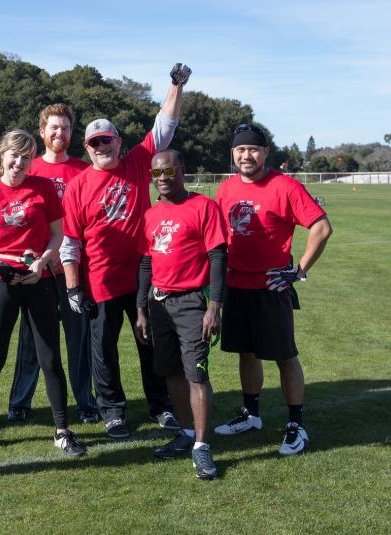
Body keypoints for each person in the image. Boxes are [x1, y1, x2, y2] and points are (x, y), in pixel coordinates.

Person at [60, 63, 192, 438]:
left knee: (149, 340)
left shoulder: (137, 162)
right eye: (95, 142)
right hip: (99, 277)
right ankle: (113, 411)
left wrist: (175, 86)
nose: (102, 146)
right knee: (103, 348)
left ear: (119, 141)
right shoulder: (78, 186)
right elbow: (70, 243)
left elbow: (164, 126)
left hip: (142, 272)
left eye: (108, 139)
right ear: (87, 148)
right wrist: (72, 288)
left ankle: (161, 405)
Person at [0, 129, 87, 458]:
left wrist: (43, 263)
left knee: (50, 357)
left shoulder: (44, 188)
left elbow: (57, 234)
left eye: (26, 157)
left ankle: (62, 431)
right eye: (14, 155)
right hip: (0, 282)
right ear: (1, 156)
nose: (19, 162)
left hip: (39, 282)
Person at [214, 123, 332, 456]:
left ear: (265, 152)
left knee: (284, 356)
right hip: (236, 285)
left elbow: (322, 228)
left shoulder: (285, 186)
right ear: (233, 154)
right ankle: (251, 414)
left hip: (271, 285)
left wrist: (299, 272)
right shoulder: (225, 189)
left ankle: (296, 424)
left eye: (253, 149)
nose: (246, 155)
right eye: (240, 150)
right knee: (245, 352)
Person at [134, 150, 227, 480]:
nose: (163, 178)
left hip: (191, 303)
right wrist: (141, 309)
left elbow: (218, 258)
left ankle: (202, 446)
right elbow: (146, 263)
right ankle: (186, 433)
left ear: (182, 171)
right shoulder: (150, 215)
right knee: (170, 372)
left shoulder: (203, 207)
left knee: (196, 375)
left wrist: (214, 307)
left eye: (169, 171)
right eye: (156, 173)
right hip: (159, 305)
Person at [7, 104, 99, 425]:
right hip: (38, 272)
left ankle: (86, 402)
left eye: (66, 128)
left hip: (73, 271)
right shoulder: (27, 170)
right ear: (42, 131)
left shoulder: (84, 171)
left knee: (79, 340)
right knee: (32, 341)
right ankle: (19, 401)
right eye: (54, 128)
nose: (60, 133)